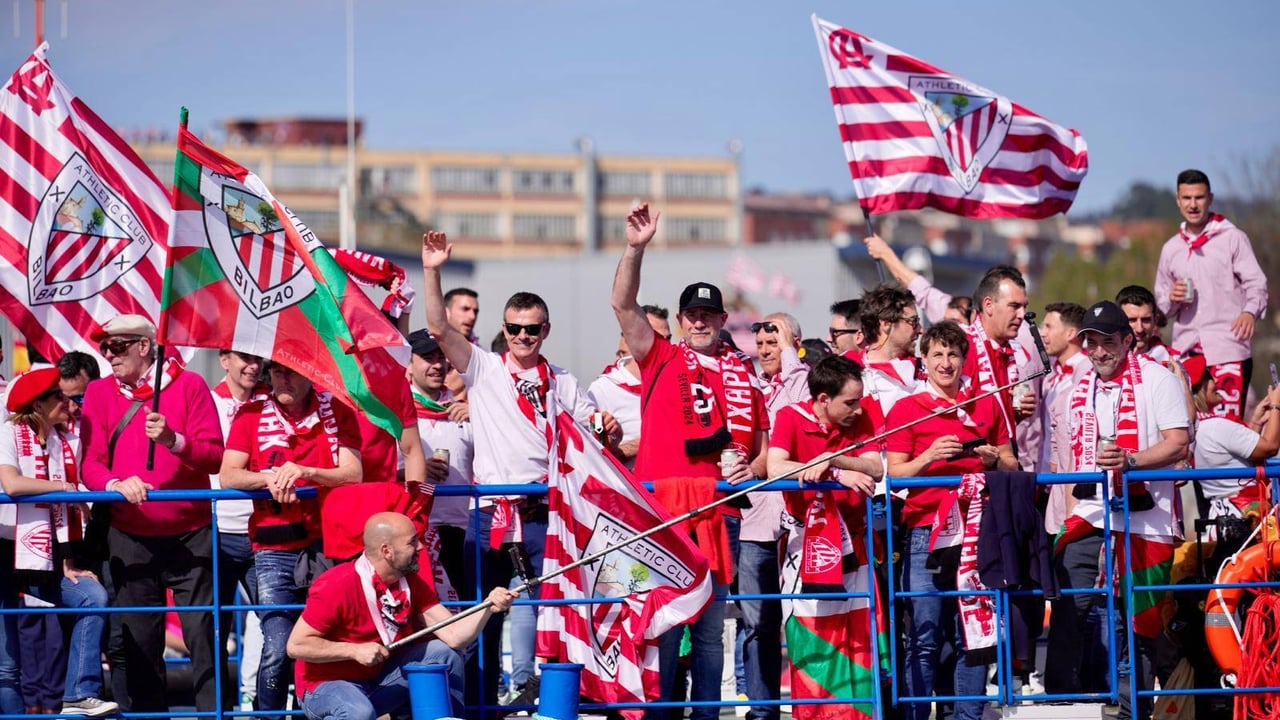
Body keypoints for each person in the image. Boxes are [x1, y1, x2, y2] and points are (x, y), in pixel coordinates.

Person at [422, 230, 616, 706]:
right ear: (503, 330)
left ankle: (547, 704)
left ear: (545, 330)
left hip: (543, 511)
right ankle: (479, 708)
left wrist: (607, 427)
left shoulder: (563, 381)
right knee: (480, 616)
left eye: (532, 329)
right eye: (514, 329)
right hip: (490, 511)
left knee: (554, 610)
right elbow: (440, 329)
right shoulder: (484, 368)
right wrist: (431, 269)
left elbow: (594, 432)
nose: (523, 337)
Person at [611, 203, 769, 720]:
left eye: (709, 315)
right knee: (665, 624)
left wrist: (754, 468)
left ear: (724, 321)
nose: (700, 322)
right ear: (680, 322)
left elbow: (764, 446)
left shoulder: (744, 375)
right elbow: (621, 302)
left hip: (719, 513)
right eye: (692, 316)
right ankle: (659, 715)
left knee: (707, 633)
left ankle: (704, 717)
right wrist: (635, 247)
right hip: (664, 516)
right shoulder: (659, 356)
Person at [78, 314, 225, 713]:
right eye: (104, 347)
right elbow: (88, 464)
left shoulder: (190, 385)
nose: (108, 355)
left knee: (203, 638)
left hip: (191, 534)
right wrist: (114, 484)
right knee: (139, 644)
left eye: (117, 346)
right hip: (129, 535)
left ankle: (214, 714)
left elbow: (214, 456)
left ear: (145, 346)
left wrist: (174, 441)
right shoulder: (98, 393)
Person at [1049, 301, 1189, 718]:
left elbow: (1178, 441)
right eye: (1090, 342)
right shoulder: (1080, 388)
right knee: (1068, 593)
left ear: (1127, 341)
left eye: (1107, 341)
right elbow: (1077, 460)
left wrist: (1131, 461)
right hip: (1093, 510)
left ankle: (1135, 710)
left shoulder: (1157, 380)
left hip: (1149, 516)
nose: (1097, 351)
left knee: (1142, 620)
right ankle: (1060, 700)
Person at [885, 322, 1017, 720]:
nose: (946, 363)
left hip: (977, 532)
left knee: (973, 636)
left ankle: (967, 716)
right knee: (923, 636)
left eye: (953, 355)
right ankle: (915, 715)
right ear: (923, 361)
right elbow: (893, 475)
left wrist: (995, 459)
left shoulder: (987, 402)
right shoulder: (905, 409)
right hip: (925, 532)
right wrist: (928, 456)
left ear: (964, 360)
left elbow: (1013, 463)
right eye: (938, 355)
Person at [219, 360, 364, 712]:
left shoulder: (337, 408)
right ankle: (266, 715)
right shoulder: (250, 414)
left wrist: (306, 472)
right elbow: (229, 476)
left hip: (328, 543)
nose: (281, 378)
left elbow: (353, 472)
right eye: (276, 372)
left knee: (325, 639)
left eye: (290, 371)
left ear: (309, 373)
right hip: (272, 546)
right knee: (278, 643)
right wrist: (267, 478)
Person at [288, 512, 517, 720]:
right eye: (412, 542)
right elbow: (296, 645)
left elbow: (455, 636)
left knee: (443, 653)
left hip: (377, 681)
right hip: (324, 686)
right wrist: (353, 650)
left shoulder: (411, 583)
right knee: (358, 712)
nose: (420, 548)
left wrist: (488, 607)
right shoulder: (336, 584)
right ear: (386, 551)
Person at [766, 355, 882, 720]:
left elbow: (876, 467)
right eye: (849, 402)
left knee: (858, 639)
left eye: (859, 399)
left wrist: (835, 461)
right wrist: (829, 471)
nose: (857, 409)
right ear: (821, 400)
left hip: (857, 547)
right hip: (810, 548)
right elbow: (775, 467)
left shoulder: (861, 417)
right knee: (817, 639)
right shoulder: (789, 417)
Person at [0, 367, 117, 717]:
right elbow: (13, 485)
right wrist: (65, 489)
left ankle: (79, 694)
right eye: (58, 398)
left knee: (92, 597)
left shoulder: (61, 442)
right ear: (38, 405)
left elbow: (62, 512)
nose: (68, 403)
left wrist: (68, 564)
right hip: (4, 547)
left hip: (40, 555)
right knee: (6, 664)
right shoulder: (7, 432)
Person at [1155, 169, 1268, 421]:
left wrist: (1250, 311)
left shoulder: (1232, 238)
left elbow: (1257, 283)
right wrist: (1171, 299)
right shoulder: (1171, 248)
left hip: (1227, 348)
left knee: (1228, 427)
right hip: (1186, 351)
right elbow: (1159, 309)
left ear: (1210, 198)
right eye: (1187, 198)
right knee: (1187, 426)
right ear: (1177, 199)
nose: (1193, 205)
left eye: (1199, 197)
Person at [211, 349, 268, 708]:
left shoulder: (272, 403)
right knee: (214, 631)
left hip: (263, 529)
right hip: (214, 530)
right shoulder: (205, 401)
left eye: (257, 359)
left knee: (275, 624)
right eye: (244, 357)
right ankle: (219, 711)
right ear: (223, 359)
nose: (252, 366)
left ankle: (265, 707)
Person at [406, 329, 474, 593]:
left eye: (440, 357)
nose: (436, 365)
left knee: (468, 615)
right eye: (426, 357)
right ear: (408, 365)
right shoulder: (395, 413)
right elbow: (378, 469)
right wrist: (412, 469)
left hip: (463, 532)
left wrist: (479, 415)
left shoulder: (464, 410)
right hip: (415, 533)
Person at [1187, 354, 1280, 524]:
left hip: (1225, 515)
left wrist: (1256, 421)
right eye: (1208, 377)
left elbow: (1235, 457)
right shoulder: (1216, 426)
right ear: (1198, 388)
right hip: (1246, 518)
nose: (1215, 379)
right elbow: (1269, 447)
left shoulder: (1195, 428)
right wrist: (1276, 405)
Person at [588, 305, 671, 468]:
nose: (665, 346)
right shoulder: (604, 388)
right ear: (631, 338)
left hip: (669, 486)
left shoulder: (676, 382)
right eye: (658, 339)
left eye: (667, 339)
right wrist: (645, 444)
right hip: (628, 489)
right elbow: (592, 452)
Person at [1040, 302, 1090, 522]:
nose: (1043, 333)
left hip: (1070, 480)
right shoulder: (1051, 377)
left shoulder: (1086, 370)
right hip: (1047, 481)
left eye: (1049, 327)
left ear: (1071, 333)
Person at [857, 284, 924, 420]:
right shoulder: (854, 374)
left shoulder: (927, 368)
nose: (920, 330)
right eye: (913, 321)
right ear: (886, 324)